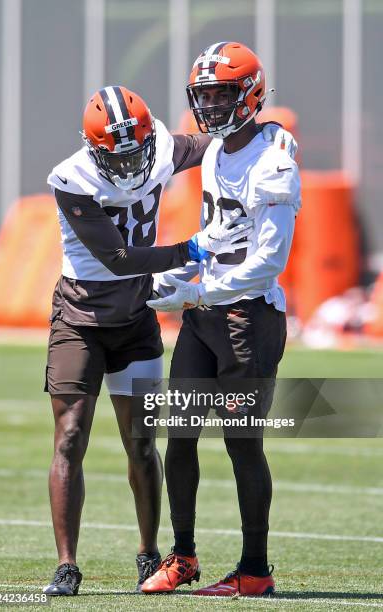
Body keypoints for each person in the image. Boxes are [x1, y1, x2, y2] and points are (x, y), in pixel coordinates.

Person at [41, 83, 269, 596]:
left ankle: (148, 554)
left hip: (136, 318)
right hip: (81, 316)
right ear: (90, 146)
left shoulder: (163, 147)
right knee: (71, 436)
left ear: (149, 140)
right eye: (113, 157)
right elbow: (117, 259)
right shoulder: (71, 179)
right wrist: (193, 248)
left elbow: (222, 136)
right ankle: (66, 564)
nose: (127, 166)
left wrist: (271, 135)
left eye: (136, 152)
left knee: (141, 441)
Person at [142, 42, 301, 597]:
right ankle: (183, 557)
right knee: (178, 436)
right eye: (203, 95)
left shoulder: (274, 158)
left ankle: (255, 570)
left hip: (247, 320)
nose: (210, 105)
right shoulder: (214, 152)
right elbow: (219, 238)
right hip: (206, 315)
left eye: (221, 93)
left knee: (242, 442)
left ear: (250, 94)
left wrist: (199, 291)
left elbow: (269, 261)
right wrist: (181, 275)